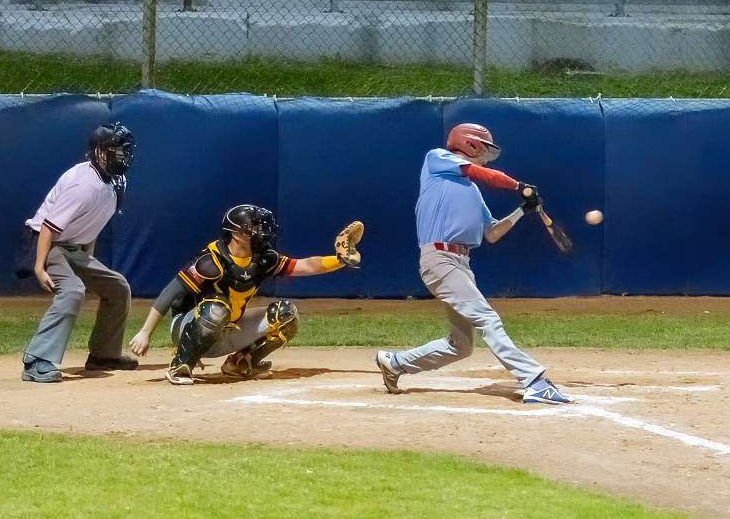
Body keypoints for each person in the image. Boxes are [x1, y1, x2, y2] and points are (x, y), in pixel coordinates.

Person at [375, 123, 571, 404]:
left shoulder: (472, 191)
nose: (486, 158)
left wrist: (521, 210)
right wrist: (518, 186)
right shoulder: (437, 159)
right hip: (439, 259)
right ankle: (534, 380)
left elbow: (492, 233)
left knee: (461, 345)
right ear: (471, 144)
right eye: (484, 150)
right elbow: (483, 174)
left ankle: (395, 363)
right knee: (487, 318)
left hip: (460, 263)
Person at [128, 204, 363, 386]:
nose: (262, 233)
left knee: (285, 314)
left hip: (229, 327)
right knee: (218, 307)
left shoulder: (262, 259)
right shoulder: (211, 261)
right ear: (237, 234)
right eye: (255, 228)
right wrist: (145, 332)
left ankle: (241, 364)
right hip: (188, 327)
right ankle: (181, 364)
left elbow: (305, 265)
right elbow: (170, 293)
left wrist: (340, 260)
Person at [19, 122, 136, 383]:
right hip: (45, 242)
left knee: (118, 288)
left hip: (72, 246)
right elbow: (48, 226)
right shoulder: (84, 184)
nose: (122, 155)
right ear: (99, 151)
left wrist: (86, 260)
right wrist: (39, 267)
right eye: (115, 150)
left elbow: (91, 225)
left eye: (124, 150)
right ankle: (36, 361)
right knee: (72, 291)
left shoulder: (115, 183)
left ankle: (104, 355)